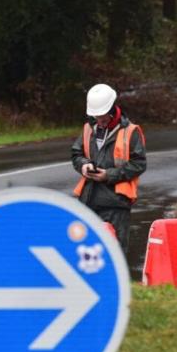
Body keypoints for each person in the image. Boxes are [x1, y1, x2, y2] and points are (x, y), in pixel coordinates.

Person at [71, 83, 147, 255]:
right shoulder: (89, 129)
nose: (99, 120)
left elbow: (139, 164)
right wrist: (84, 166)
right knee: (86, 253)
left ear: (113, 108)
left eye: (102, 115)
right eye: (96, 116)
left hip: (116, 204)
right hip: (88, 200)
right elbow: (76, 154)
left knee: (115, 254)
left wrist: (108, 175)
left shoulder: (130, 132)